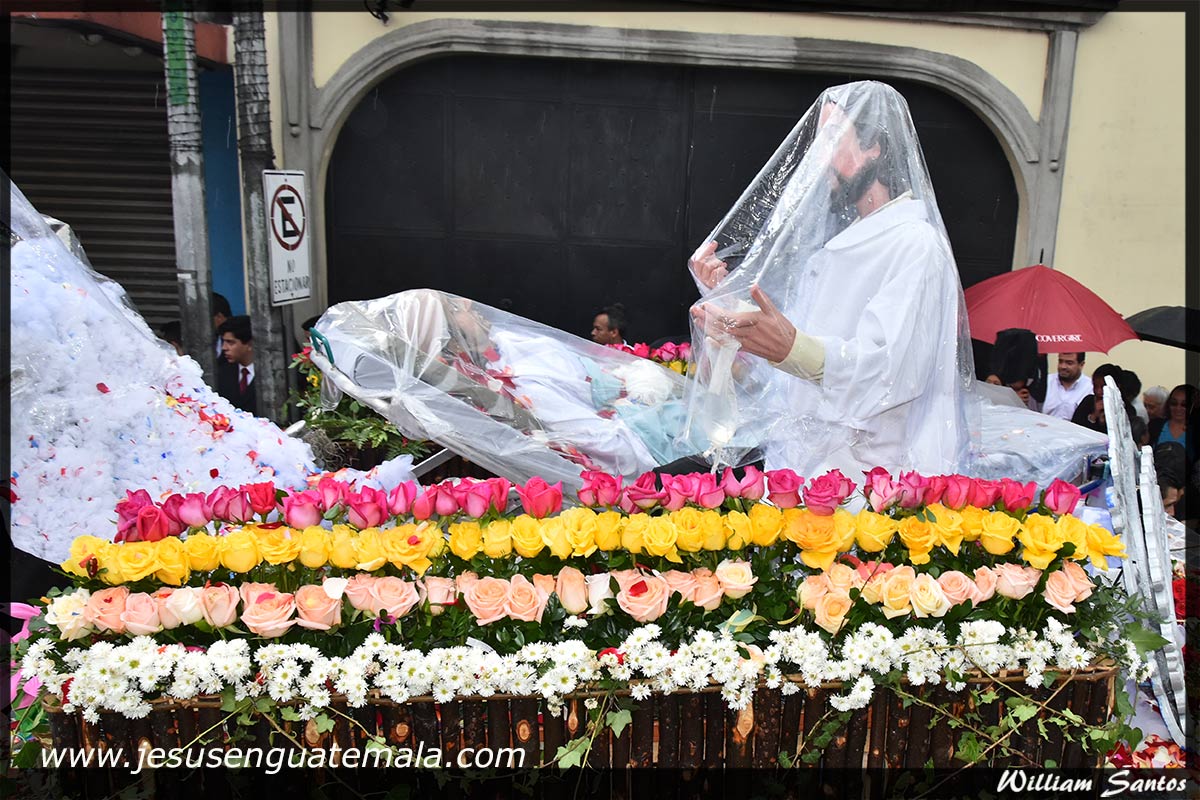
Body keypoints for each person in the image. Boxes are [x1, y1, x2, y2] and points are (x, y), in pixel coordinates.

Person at [685, 81, 974, 479]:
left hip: (869, 479)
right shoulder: (834, 251)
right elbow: (787, 376)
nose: (819, 158)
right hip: (803, 463)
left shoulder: (915, 245)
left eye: (833, 138)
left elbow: (892, 373)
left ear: (874, 148)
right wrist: (728, 307)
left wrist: (793, 348)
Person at [216, 315, 257, 415]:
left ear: (249, 344)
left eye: (230, 342)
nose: (224, 347)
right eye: (223, 342)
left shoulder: (270, 375)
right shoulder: (222, 373)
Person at [1150, 384, 1197, 465]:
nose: (1178, 408)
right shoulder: (1154, 426)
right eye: (1174, 403)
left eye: (1184, 405)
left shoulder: (1196, 431)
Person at [1070, 363, 1122, 433]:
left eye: (1103, 387)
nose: (1098, 391)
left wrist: (1102, 423)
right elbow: (1074, 427)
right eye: (1095, 386)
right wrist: (1093, 416)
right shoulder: (1088, 401)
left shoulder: (1123, 409)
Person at [1042, 352, 1091, 420]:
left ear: (1081, 364)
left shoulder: (1090, 388)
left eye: (1069, 363)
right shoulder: (1046, 382)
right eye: (1060, 361)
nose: (1063, 366)